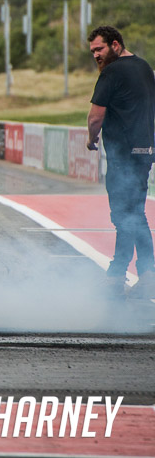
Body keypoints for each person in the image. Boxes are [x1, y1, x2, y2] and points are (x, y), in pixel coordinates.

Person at [86, 25, 155, 299]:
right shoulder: (144, 68)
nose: (96, 55)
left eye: (99, 49)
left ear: (115, 44)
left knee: (124, 215)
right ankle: (142, 275)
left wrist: (91, 138)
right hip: (145, 151)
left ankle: (119, 276)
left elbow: (95, 117)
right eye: (92, 51)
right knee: (134, 213)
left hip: (123, 155)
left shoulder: (111, 72)